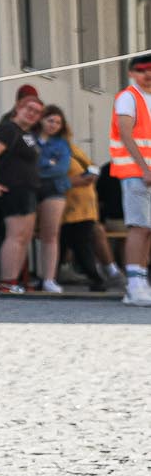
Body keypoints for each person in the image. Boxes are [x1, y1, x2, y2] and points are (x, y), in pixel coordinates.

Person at [0, 93, 46, 296]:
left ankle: (14, 281)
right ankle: (6, 282)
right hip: (13, 190)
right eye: (29, 109)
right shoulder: (8, 129)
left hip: (28, 190)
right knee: (15, 236)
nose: (33, 114)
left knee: (24, 237)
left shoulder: (26, 133)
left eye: (37, 112)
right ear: (18, 108)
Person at [109, 50, 151, 307]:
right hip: (136, 173)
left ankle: (141, 281)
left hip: (145, 173)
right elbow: (126, 133)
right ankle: (134, 285)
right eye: (141, 70)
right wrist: (144, 169)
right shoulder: (128, 97)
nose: (147, 74)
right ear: (131, 73)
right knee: (139, 226)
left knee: (148, 229)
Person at [55, 122, 116, 293]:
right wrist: (76, 181)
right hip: (67, 206)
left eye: (58, 124)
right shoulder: (49, 150)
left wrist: (91, 175)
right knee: (80, 243)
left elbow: (92, 166)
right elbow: (49, 177)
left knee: (73, 241)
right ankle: (98, 276)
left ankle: (101, 275)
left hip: (84, 206)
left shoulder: (72, 149)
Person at [32, 102, 75, 294]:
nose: (54, 125)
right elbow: (26, 163)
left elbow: (61, 169)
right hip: (29, 189)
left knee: (50, 234)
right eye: (50, 120)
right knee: (24, 234)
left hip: (54, 190)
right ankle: (24, 277)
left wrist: (40, 168)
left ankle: (49, 278)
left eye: (58, 122)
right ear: (41, 120)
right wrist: (46, 163)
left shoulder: (62, 143)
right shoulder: (29, 139)